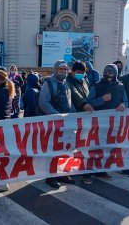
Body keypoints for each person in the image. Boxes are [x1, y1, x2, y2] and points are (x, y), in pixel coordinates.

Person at [39, 60, 76, 189]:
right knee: (52, 150)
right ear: (55, 70)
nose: (64, 71)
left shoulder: (66, 84)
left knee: (64, 149)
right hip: (53, 124)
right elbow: (44, 103)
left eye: (66, 69)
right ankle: (50, 177)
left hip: (66, 123)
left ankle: (61, 173)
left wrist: (73, 115)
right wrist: (56, 115)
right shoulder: (48, 83)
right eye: (61, 69)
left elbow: (69, 103)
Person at [66, 61, 94, 184]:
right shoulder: (68, 82)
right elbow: (75, 94)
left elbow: (88, 95)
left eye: (83, 73)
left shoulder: (84, 81)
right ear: (72, 71)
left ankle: (83, 169)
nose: (81, 75)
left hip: (85, 117)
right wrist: (84, 104)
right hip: (74, 117)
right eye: (78, 72)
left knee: (84, 145)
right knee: (73, 145)